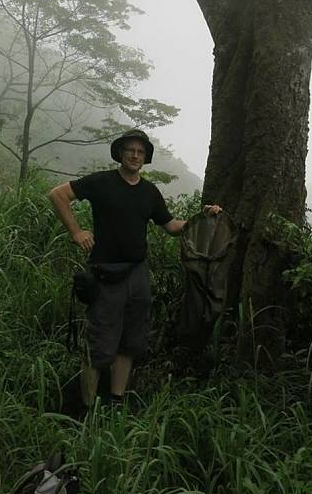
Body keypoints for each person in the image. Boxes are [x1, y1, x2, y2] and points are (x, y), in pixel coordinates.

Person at [48, 129, 221, 406]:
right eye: (130, 150)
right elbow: (58, 194)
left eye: (140, 152)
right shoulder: (102, 182)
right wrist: (76, 231)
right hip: (105, 272)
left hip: (137, 273)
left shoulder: (149, 192)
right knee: (99, 341)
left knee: (131, 340)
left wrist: (199, 218)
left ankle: (116, 400)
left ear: (145, 158)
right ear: (120, 153)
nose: (135, 155)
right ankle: (88, 408)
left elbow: (171, 226)